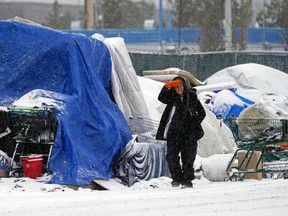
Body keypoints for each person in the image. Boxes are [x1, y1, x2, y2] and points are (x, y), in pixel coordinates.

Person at [156, 76, 206, 188]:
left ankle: (187, 181)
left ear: (185, 86)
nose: (179, 89)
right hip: (174, 133)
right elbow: (161, 97)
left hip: (189, 134)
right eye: (176, 87)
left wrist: (194, 123)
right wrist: (168, 85)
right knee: (171, 157)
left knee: (188, 159)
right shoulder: (172, 97)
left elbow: (202, 113)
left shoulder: (192, 97)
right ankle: (176, 179)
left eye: (181, 86)